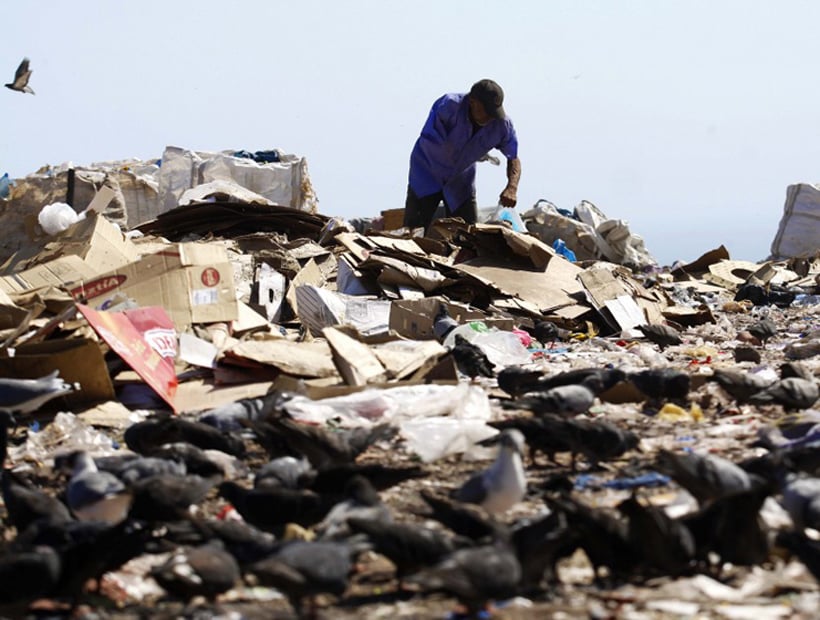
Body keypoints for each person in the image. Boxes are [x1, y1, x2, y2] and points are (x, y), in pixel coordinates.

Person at [404, 79, 521, 232]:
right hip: (427, 173)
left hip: (460, 183)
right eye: (487, 110)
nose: (491, 117)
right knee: (414, 231)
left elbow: (513, 158)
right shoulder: (448, 106)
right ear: (473, 102)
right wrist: (473, 151)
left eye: (495, 112)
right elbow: (435, 144)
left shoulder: (502, 125)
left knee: (468, 236)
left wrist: (512, 187)